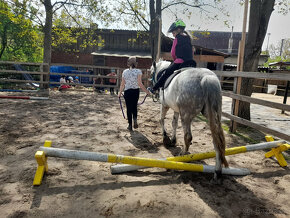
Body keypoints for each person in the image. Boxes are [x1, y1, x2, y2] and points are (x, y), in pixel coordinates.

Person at [148, 20, 196, 93]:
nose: (173, 35)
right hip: (191, 62)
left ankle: (154, 89)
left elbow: (173, 53)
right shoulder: (189, 39)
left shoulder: (176, 39)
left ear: (179, 30)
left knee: (166, 73)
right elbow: (192, 51)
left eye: (173, 33)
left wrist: (175, 60)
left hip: (179, 62)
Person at [118, 56, 152, 131]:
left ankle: (130, 125)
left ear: (128, 63)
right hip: (135, 91)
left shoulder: (125, 72)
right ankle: (135, 120)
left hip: (127, 92)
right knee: (134, 107)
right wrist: (147, 92)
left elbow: (122, 84)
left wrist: (119, 93)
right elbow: (140, 84)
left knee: (128, 108)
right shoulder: (138, 71)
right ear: (136, 64)